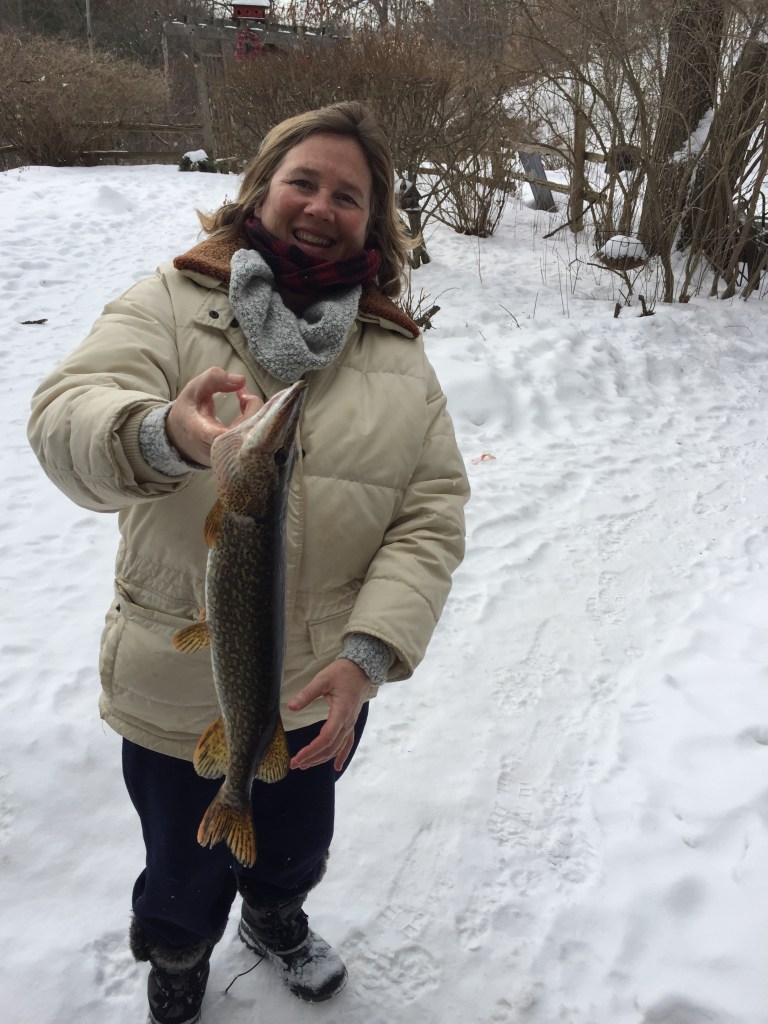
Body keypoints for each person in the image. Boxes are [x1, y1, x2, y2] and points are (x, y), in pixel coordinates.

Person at [28, 101, 469, 1024]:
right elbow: (65, 416)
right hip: (170, 684)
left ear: (372, 218)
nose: (321, 204)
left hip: (317, 692)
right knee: (182, 866)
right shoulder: (173, 300)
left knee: (297, 842)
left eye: (348, 194)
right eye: (303, 180)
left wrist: (371, 652)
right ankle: (180, 955)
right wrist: (163, 434)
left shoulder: (396, 354)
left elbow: (429, 517)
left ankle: (275, 918)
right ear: (263, 187)